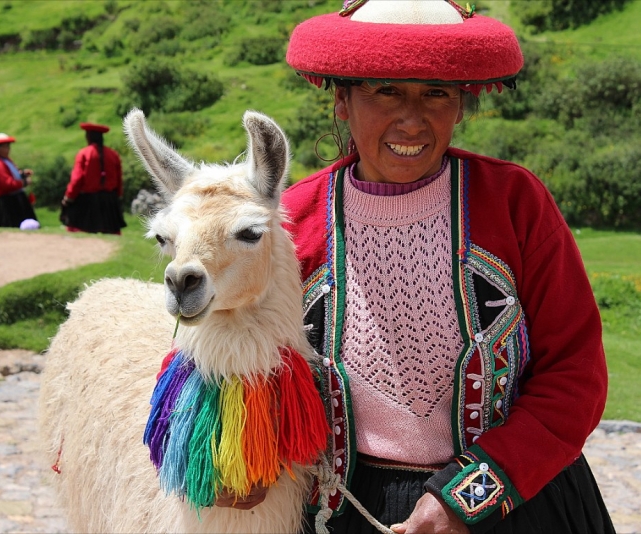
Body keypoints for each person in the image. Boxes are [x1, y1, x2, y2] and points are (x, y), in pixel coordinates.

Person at [219, 2, 616, 534]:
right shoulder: (295, 221)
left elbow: (575, 376)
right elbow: (236, 349)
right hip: (351, 511)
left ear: (460, 104)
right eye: (385, 91)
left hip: (515, 499)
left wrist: (465, 497)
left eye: (436, 93)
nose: (412, 118)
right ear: (342, 100)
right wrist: (240, 450)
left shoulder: (515, 204)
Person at [60, 122, 127, 234]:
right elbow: (119, 179)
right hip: (109, 201)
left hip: (88, 201)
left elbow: (77, 178)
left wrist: (69, 196)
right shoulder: (113, 155)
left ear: (89, 136)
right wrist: (117, 197)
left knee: (82, 232)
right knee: (111, 233)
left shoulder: (84, 153)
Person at [0, 133, 39, 228]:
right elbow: (7, 184)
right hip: (7, 203)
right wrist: (24, 183)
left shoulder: (6, 160)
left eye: (8, 146)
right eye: (5, 147)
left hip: (15, 199)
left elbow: (12, 174)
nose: (8, 149)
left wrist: (22, 174)